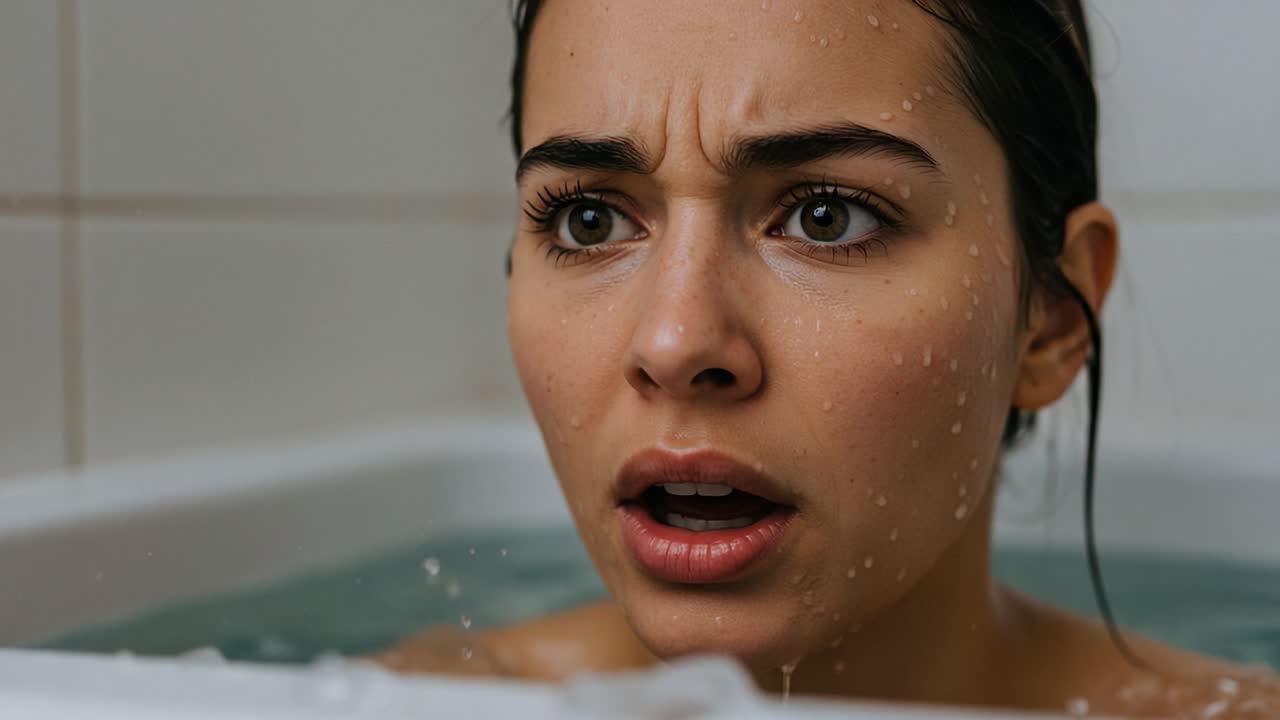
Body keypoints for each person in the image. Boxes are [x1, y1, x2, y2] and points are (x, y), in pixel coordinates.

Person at [377, 1, 1278, 715]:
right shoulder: (413, 703)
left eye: (826, 216)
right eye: (589, 220)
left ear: (1050, 319)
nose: (674, 344)